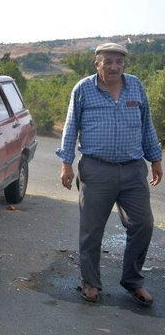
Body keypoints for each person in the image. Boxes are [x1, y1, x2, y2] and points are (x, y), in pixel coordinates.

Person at [56, 42, 162, 306]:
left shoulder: (135, 86)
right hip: (96, 170)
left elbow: (146, 123)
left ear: (124, 64)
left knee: (143, 224)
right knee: (91, 230)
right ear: (97, 64)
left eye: (119, 61)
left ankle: (133, 281)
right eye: (108, 61)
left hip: (133, 170)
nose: (114, 66)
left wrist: (156, 158)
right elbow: (70, 128)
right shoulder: (83, 89)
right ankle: (91, 283)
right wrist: (66, 163)